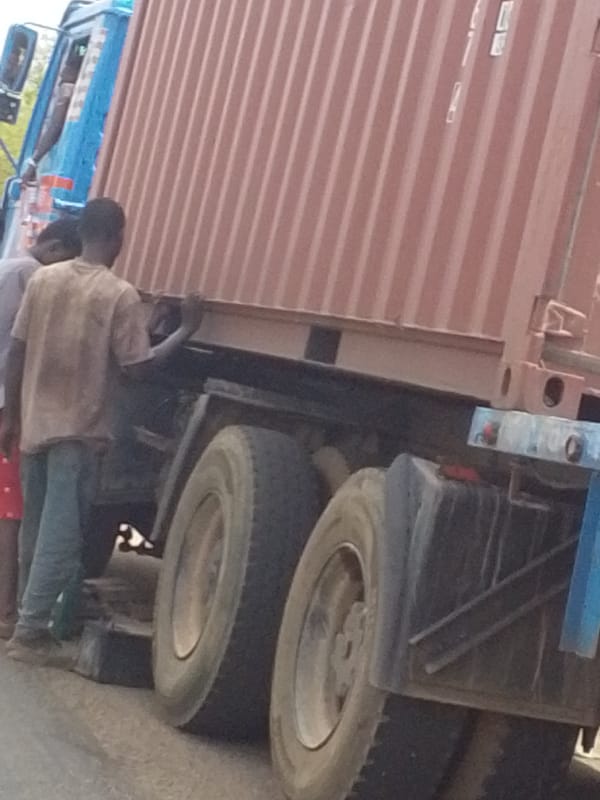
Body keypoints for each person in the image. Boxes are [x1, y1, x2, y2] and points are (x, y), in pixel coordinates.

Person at [0, 198, 203, 666]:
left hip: (34, 422)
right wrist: (183, 332)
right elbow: (138, 368)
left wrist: (11, 416)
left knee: (34, 526)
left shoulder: (44, 279)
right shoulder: (117, 294)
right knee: (61, 533)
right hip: (79, 429)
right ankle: (31, 634)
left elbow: (16, 349)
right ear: (117, 238)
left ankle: (25, 621)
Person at [0, 218, 82, 640]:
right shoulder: (31, 276)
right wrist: (13, 413)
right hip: (6, 404)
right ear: (55, 248)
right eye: (69, 258)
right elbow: (19, 346)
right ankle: (7, 613)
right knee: (11, 513)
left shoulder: (9, 268)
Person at [21, 61, 80, 184]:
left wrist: (33, 163)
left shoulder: (69, 89)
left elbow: (55, 126)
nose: (61, 78)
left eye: (65, 72)